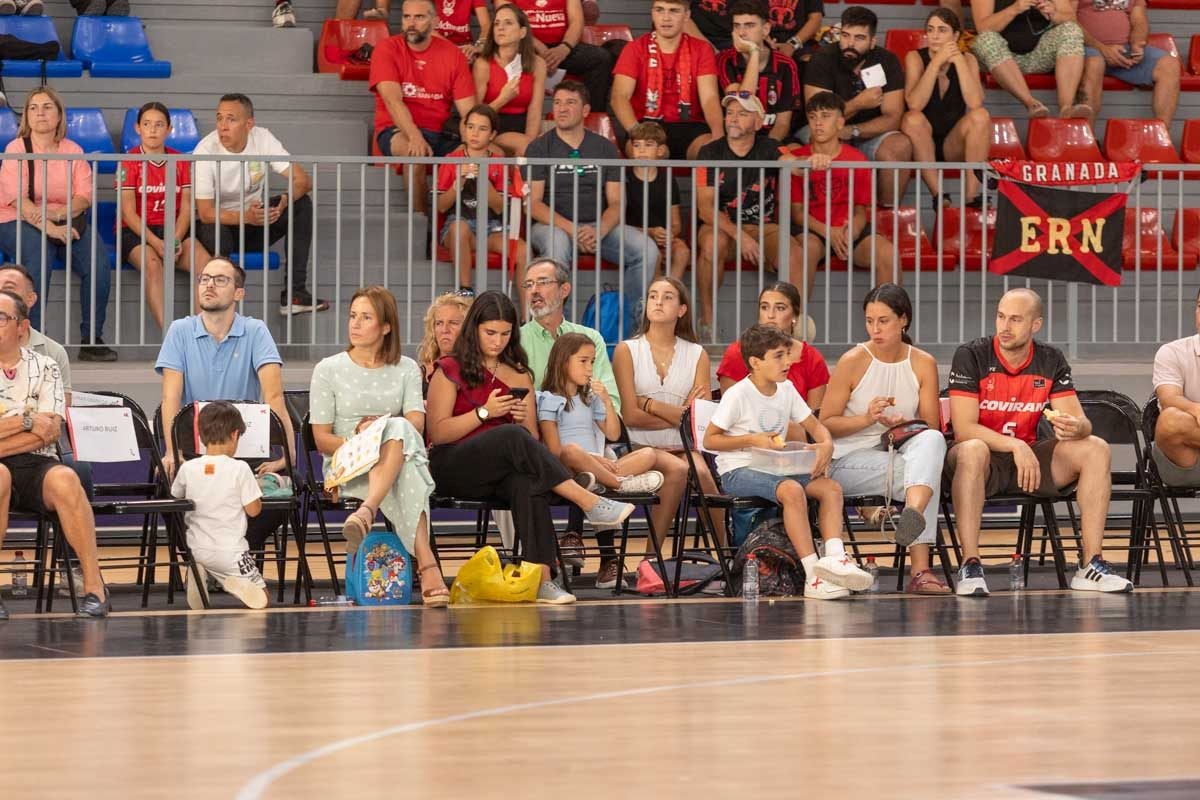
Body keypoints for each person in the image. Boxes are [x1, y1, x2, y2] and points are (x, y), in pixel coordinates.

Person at [426, 291, 637, 604]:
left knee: (528, 482)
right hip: (454, 465)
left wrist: (526, 420)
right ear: (474, 330)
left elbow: (530, 440)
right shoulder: (449, 368)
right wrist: (484, 413)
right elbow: (439, 433)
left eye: (505, 333)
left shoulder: (520, 373)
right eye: (489, 333)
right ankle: (585, 498)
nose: (497, 341)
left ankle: (543, 578)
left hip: (502, 470)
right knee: (510, 435)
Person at [945, 288, 1133, 595]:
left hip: (1030, 460)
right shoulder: (972, 355)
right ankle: (970, 565)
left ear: (1036, 325)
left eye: (1015, 319)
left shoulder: (1050, 359)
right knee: (973, 449)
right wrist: (1016, 446)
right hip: (982, 458)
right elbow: (964, 429)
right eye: (1001, 317)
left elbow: (1080, 421)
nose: (1004, 327)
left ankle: (1090, 565)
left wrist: (1078, 427)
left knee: (1095, 448)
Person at [704, 323, 874, 599]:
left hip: (775, 467)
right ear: (755, 363)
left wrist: (826, 444)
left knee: (830, 488)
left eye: (786, 354)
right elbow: (710, 440)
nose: (787, 362)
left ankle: (836, 560)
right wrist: (752, 440)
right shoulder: (738, 394)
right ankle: (813, 576)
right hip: (739, 469)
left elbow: (815, 426)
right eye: (778, 357)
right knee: (792, 490)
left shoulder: (787, 389)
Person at [309, 286, 449, 606]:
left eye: (366, 317)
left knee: (400, 436)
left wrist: (381, 429)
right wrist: (364, 441)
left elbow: (417, 423)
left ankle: (367, 510)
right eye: (353, 316)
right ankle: (427, 567)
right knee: (405, 458)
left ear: (386, 327)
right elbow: (321, 439)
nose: (355, 324)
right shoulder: (328, 369)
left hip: (393, 460)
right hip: (347, 461)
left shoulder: (406, 369)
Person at [155, 258, 295, 552]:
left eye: (220, 280)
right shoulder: (180, 331)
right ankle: (198, 561)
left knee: (280, 494)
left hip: (244, 450)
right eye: (204, 278)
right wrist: (171, 451)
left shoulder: (256, 331)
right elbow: (170, 399)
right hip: (193, 451)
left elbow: (274, 398)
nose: (209, 285)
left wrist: (288, 457)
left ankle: (239, 555)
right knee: (164, 480)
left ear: (239, 293)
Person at [820, 284, 950, 594]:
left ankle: (912, 513)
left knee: (931, 443)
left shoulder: (922, 362)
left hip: (898, 453)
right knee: (927, 475)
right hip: (847, 462)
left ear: (903, 320)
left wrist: (901, 423)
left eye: (884, 320)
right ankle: (920, 570)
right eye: (869, 321)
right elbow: (825, 424)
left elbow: (931, 426)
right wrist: (868, 419)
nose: (875, 329)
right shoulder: (853, 360)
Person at [0, 290, 107, 619]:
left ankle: (94, 587)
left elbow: (49, 430)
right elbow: (38, 424)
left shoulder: (45, 366)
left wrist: (21, 425)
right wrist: (28, 420)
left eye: (2, 318)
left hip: (38, 462)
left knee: (66, 478)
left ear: (22, 326)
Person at [525, 81, 659, 325]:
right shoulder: (539, 147)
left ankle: (629, 323)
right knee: (556, 246)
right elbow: (534, 204)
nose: (561, 109)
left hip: (599, 227)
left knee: (646, 250)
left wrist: (598, 229)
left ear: (586, 110)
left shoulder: (604, 148)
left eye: (570, 103)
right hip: (554, 226)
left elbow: (617, 202)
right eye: (557, 103)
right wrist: (573, 229)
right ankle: (552, 323)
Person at [0, 87, 115, 362]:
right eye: (34, 108)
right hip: (16, 219)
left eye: (47, 107)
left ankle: (91, 339)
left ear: (59, 114)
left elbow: (84, 197)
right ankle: (33, 339)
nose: (41, 113)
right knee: (38, 255)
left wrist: (60, 216)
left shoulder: (72, 150)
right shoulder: (16, 148)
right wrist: (50, 227)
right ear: (26, 116)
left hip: (64, 220)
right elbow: (19, 202)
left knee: (98, 264)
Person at [613, 277, 725, 544]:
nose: (658, 302)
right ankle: (651, 561)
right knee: (677, 469)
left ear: (681, 309)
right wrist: (680, 412)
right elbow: (630, 416)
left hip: (684, 446)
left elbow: (697, 421)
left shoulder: (698, 353)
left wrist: (649, 404)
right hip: (640, 447)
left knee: (701, 472)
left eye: (667, 297)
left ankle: (728, 553)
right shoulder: (626, 350)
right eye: (652, 296)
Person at [193, 94, 328, 316]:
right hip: (220, 226)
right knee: (216, 231)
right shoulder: (205, 150)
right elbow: (206, 213)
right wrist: (245, 217)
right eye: (219, 119)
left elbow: (303, 181)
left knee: (300, 204)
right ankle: (221, 306)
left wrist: (284, 201)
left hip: (254, 223)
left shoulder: (263, 138)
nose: (223, 127)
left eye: (231, 119)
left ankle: (295, 294)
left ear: (249, 124)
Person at [695, 94, 805, 340]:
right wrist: (741, 236)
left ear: (758, 122)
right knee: (712, 245)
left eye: (742, 114)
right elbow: (705, 208)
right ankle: (707, 321)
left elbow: (794, 164)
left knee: (794, 252)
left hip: (762, 226)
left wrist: (811, 161)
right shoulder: (709, 152)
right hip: (721, 226)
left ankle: (789, 328)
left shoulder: (770, 147)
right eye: (730, 113)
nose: (732, 119)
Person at [785, 92, 897, 296]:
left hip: (846, 232)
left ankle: (888, 323)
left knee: (888, 254)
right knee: (806, 250)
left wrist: (853, 230)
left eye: (825, 116)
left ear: (840, 123)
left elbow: (861, 210)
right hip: (813, 231)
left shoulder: (858, 160)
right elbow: (797, 213)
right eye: (813, 117)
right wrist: (829, 231)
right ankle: (796, 324)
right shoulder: (798, 160)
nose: (818, 123)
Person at [370, 0, 478, 213]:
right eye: (406, 17)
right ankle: (420, 228)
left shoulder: (452, 54)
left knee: (482, 158)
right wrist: (415, 137)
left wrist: (473, 147)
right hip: (396, 130)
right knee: (415, 155)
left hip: (442, 134)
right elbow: (392, 100)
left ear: (435, 21)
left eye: (419, 17)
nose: (411, 23)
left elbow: (469, 112)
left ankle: (457, 227)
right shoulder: (387, 48)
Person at [802, 6, 912, 208]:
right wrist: (858, 103)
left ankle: (883, 215)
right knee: (820, 136)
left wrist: (851, 131)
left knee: (900, 145)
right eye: (845, 35)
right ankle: (824, 216)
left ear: (872, 42)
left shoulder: (887, 61)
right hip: (821, 130)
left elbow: (893, 117)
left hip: (866, 133)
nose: (850, 44)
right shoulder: (823, 58)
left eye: (859, 38)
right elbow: (818, 116)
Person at [118, 101, 213, 331]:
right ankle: (172, 336)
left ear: (169, 129)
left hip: (174, 230)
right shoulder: (127, 161)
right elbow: (128, 213)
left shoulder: (181, 160)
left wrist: (174, 240)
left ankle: (200, 334)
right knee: (152, 265)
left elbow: (187, 207)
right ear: (138, 128)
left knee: (207, 266)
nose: (152, 130)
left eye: (159, 125)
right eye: (147, 124)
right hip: (138, 231)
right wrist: (157, 243)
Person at [537, 332, 666, 495]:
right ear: (563, 362)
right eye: (583, 361)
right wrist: (591, 459)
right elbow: (555, 451)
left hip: (600, 467)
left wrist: (607, 401)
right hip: (567, 469)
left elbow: (613, 434)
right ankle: (619, 484)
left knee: (649, 454)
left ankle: (597, 481)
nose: (590, 368)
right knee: (571, 450)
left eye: (592, 362)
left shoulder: (591, 398)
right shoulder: (549, 400)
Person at [170, 401, 269, 610]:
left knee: (207, 563)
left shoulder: (188, 468)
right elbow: (254, 510)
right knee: (263, 598)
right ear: (235, 435)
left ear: (200, 435)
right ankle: (233, 584)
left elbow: (175, 496)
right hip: (230, 552)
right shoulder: (240, 468)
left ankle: (201, 575)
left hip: (196, 549)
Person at [611, 0, 724, 161]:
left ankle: (701, 187)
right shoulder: (635, 48)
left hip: (690, 127)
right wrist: (639, 135)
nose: (666, 18)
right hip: (645, 125)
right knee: (644, 154)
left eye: (674, 11)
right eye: (659, 10)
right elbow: (619, 97)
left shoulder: (702, 49)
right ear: (652, 13)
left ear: (687, 16)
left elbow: (709, 98)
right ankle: (652, 186)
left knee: (713, 154)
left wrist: (718, 134)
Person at [434, 105, 529, 290]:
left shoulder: (499, 162)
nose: (475, 133)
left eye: (482, 129)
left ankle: (529, 317)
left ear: (492, 134)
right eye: (470, 127)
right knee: (459, 227)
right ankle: (466, 291)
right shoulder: (451, 159)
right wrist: (459, 182)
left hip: (493, 229)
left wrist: (483, 179)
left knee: (524, 251)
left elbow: (500, 207)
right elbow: (441, 206)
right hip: (460, 227)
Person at [901, 9, 990, 208]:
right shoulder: (915, 57)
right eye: (930, 30)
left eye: (942, 30)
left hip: (953, 144)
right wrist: (935, 63)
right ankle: (939, 195)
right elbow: (914, 104)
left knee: (981, 116)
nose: (934, 36)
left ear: (955, 36)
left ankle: (971, 196)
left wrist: (959, 61)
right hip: (921, 141)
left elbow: (975, 103)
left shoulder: (968, 60)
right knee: (912, 118)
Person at [717, 282, 828, 409]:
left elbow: (814, 418)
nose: (770, 315)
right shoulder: (737, 352)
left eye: (780, 308)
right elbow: (729, 411)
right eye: (764, 307)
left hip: (798, 428)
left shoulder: (813, 359)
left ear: (795, 316)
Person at [971, 0, 1089, 118]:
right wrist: (1015, 8)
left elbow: (1070, 17)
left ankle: (1066, 107)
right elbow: (982, 27)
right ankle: (1031, 103)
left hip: (1038, 56)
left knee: (1071, 29)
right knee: (985, 39)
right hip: (1001, 59)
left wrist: (1054, 13)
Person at [496, 0, 614, 111]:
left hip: (562, 45)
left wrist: (565, 47)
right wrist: (539, 47)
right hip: (523, 44)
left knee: (601, 58)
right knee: (506, 55)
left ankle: (591, 118)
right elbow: (506, 20)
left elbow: (576, 21)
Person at [1078, 0, 1180, 127]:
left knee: (1169, 64)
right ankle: (1087, 139)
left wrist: (1138, 43)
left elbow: (1139, 19)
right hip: (1087, 47)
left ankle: (1161, 135)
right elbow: (1068, 19)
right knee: (1094, 63)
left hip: (1124, 50)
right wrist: (1102, 48)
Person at [716, 0, 802, 142]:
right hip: (736, 138)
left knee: (795, 158)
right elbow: (743, 103)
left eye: (749, 26)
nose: (742, 33)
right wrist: (754, 53)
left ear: (765, 30)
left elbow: (782, 123)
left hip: (773, 140)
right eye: (737, 26)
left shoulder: (786, 65)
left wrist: (764, 153)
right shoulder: (725, 60)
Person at [474, 4, 547, 155]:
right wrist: (502, 99)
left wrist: (530, 143)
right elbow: (475, 117)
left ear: (522, 32)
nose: (500, 28)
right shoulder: (483, 64)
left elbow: (535, 111)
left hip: (522, 125)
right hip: (491, 126)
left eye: (508, 23)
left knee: (530, 148)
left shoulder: (537, 64)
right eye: (496, 23)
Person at [623, 122, 690, 281]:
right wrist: (650, 232)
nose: (641, 150)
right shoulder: (624, 178)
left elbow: (676, 224)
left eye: (648, 145)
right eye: (637, 145)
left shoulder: (667, 179)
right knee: (653, 253)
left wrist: (668, 235)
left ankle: (671, 292)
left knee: (683, 251)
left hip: (661, 238)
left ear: (660, 150)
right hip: (634, 237)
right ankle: (654, 299)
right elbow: (619, 225)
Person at [1150, 290, 1200, 486]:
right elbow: (1169, 398)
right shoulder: (1172, 352)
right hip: (1188, 460)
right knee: (1170, 420)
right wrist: (1196, 409)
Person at [687, 0, 824, 57]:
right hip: (759, 38)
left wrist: (792, 45)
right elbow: (751, 16)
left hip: (798, 44)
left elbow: (816, 20)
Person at [417, 291, 473, 391]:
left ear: (468, 328)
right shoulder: (419, 374)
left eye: (453, 323)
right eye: (439, 323)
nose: (445, 330)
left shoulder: (477, 371)